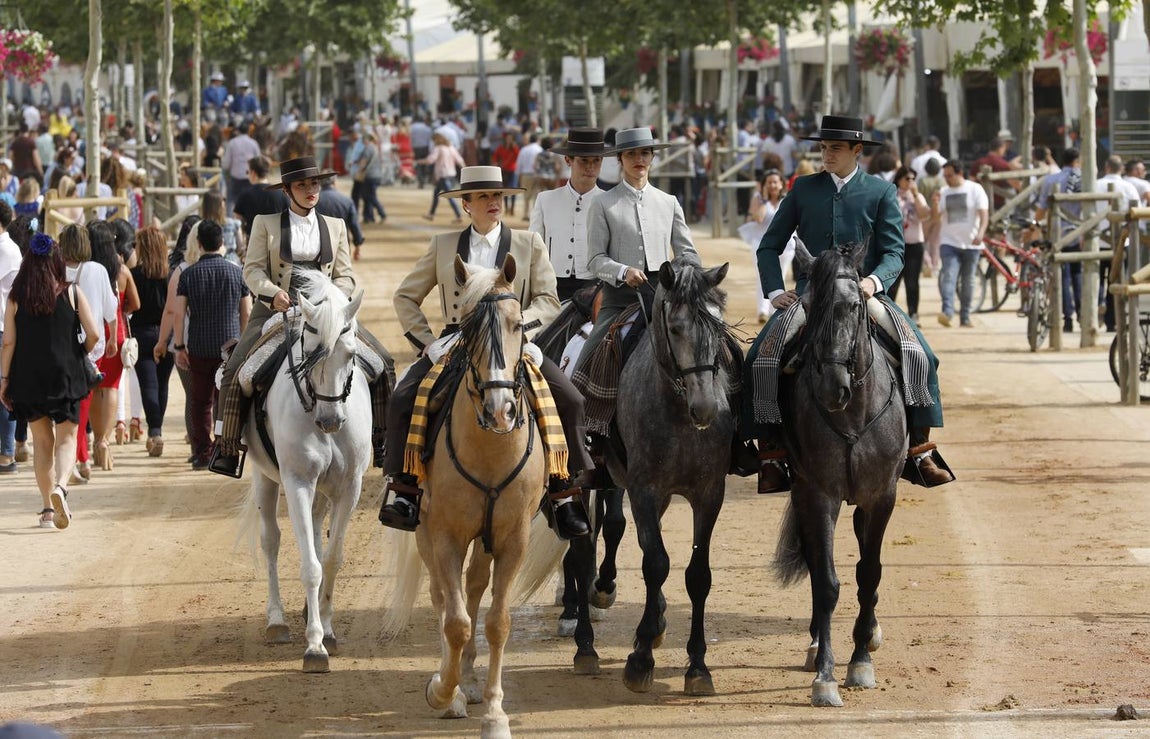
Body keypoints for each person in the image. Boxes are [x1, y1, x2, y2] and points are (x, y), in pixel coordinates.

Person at [379, 165, 593, 539]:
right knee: (401, 398)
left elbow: (548, 299)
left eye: (497, 195)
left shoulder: (529, 243)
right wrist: (427, 342)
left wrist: (520, 329)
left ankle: (563, 493)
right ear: (466, 204)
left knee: (571, 400)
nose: (493, 202)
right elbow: (405, 297)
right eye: (483, 196)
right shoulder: (443, 245)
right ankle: (404, 489)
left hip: (513, 338)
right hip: (457, 341)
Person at [748, 115, 953, 491]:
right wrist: (775, 292)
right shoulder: (803, 188)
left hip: (863, 292)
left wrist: (874, 282)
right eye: (823, 148)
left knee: (922, 355)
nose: (826, 154)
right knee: (760, 357)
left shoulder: (881, 191)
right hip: (810, 294)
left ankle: (918, 450)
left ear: (857, 150)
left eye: (835, 148)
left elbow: (894, 252)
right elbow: (769, 246)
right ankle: (771, 452)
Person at [210, 156, 393, 477]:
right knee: (236, 371)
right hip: (276, 308)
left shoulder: (335, 226)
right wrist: (272, 293)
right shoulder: (265, 224)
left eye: (314, 183)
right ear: (287, 190)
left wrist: (332, 301)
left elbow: (345, 275)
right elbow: (252, 270)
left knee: (383, 362)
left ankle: (383, 440)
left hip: (327, 312)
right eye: (302, 185)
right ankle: (227, 445)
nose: (311, 190)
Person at [1, 232, 99, 529]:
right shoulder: (72, 293)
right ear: (57, 262)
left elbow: (9, 343)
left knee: (42, 443)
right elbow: (94, 334)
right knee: (67, 438)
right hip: (65, 374)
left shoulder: (16, 298)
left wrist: (4, 380)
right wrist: (80, 352)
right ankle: (61, 488)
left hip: (28, 377)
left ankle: (46, 509)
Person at [578, 127, 699, 365]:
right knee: (587, 362)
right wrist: (624, 272)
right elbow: (595, 260)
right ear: (620, 159)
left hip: (665, 299)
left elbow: (687, 252)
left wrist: (686, 274)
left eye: (645, 153)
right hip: (619, 300)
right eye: (631, 154)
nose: (639, 159)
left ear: (652, 157)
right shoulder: (602, 203)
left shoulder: (670, 202)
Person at [172, 220, 251, 469]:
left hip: (199, 346)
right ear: (222, 242)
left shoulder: (188, 274)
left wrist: (179, 346)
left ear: (198, 243)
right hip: (230, 347)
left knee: (200, 402)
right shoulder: (237, 272)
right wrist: (244, 342)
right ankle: (222, 448)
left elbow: (178, 313)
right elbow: (247, 312)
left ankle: (202, 452)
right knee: (224, 401)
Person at [528, 128, 608, 301]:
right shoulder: (545, 200)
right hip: (552, 286)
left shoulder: (609, 202)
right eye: (583, 160)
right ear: (568, 160)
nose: (590, 167)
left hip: (596, 288)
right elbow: (533, 248)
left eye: (596, 160)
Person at [87, 221, 140, 471]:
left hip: (90, 332)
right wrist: (121, 309)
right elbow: (136, 303)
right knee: (111, 388)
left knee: (93, 386)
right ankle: (104, 441)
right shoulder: (121, 271)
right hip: (114, 332)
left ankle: (96, 437)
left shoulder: (85, 270)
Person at [130, 226, 174, 457]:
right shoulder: (171, 275)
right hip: (167, 334)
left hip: (142, 333)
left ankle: (154, 432)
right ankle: (157, 430)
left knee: (148, 384)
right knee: (163, 383)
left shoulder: (134, 274)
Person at [931, 159, 988, 329]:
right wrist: (934, 204)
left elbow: (984, 214)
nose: (947, 179)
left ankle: (965, 316)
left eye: (950, 175)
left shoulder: (975, 189)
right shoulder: (943, 192)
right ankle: (947, 312)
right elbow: (936, 218)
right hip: (949, 242)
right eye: (945, 176)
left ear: (960, 173)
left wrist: (981, 232)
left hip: (972, 243)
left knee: (968, 281)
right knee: (949, 276)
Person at [1034, 148, 1082, 333]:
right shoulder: (1084, 179)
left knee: (1062, 276)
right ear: (1077, 160)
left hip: (1057, 233)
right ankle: (1082, 313)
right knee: (1078, 274)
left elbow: (1042, 208)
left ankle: (1067, 318)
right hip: (1078, 231)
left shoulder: (1051, 180)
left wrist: (1035, 226)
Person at [740, 169, 791, 322]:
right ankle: (762, 310)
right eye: (769, 183)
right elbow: (759, 218)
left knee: (781, 276)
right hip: (761, 243)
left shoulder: (788, 199)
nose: (772, 185)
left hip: (786, 244)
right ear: (764, 185)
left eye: (775, 182)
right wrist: (764, 198)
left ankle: (774, 311)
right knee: (762, 276)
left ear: (781, 184)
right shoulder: (758, 199)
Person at [889, 165, 931, 321]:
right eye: (907, 178)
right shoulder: (892, 195)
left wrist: (916, 195)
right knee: (893, 282)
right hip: (895, 245)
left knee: (912, 282)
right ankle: (888, 313)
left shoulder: (917, 196)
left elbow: (924, 215)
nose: (910, 182)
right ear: (899, 179)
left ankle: (913, 313)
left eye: (913, 179)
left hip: (914, 244)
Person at [0, 201, 18, 472]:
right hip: (6, 326)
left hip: (3, 326)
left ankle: (6, 452)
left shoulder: (6, 249)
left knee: (3, 390)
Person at [233, 155, 289, 240]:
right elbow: (289, 217)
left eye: (247, 172)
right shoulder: (281, 193)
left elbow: (237, 220)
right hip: (277, 241)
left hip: (253, 241)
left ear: (253, 173)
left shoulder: (245, 194)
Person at [420, 133, 465, 223]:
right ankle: (431, 214)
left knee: (449, 195)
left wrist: (421, 161)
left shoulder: (439, 148)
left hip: (443, 175)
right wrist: (465, 169)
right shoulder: (450, 147)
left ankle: (459, 215)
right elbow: (459, 160)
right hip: (450, 174)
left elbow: (430, 160)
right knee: (436, 194)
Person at [317, 176, 364, 261]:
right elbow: (354, 225)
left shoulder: (313, 201)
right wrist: (358, 246)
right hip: (341, 245)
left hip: (318, 246)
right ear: (334, 182)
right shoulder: (347, 200)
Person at [220, 123, 262, 214]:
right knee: (250, 202)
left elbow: (226, 164)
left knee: (231, 202)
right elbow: (259, 161)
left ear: (238, 131)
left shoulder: (232, 143)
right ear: (248, 131)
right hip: (250, 177)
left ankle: (231, 220)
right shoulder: (253, 143)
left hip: (236, 178)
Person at [201, 190, 246, 265]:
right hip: (231, 262)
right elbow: (240, 248)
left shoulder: (200, 226)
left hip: (206, 263)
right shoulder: (234, 224)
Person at [356, 132, 387, 223]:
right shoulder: (375, 148)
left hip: (370, 176)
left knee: (370, 196)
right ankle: (368, 217)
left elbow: (363, 162)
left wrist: (359, 171)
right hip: (377, 176)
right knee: (367, 196)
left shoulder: (368, 148)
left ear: (367, 140)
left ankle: (382, 213)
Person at [491, 130, 521, 215]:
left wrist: (514, 147)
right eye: (508, 138)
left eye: (510, 138)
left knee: (514, 188)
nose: (509, 140)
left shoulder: (514, 148)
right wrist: (496, 163)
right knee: (505, 190)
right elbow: (495, 157)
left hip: (513, 171)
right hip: (504, 170)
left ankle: (512, 208)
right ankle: (507, 208)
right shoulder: (501, 147)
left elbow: (518, 157)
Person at [516, 134, 543, 217]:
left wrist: (519, 175)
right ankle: (535, 215)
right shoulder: (539, 149)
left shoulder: (524, 149)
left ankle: (526, 214)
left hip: (526, 174)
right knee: (536, 195)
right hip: (536, 174)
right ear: (537, 140)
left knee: (526, 196)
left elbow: (519, 164)